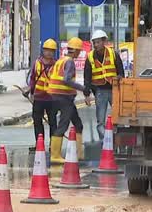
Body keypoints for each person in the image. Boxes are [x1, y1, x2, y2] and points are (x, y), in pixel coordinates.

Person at [47, 37, 92, 165]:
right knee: (63, 124)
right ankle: (55, 155)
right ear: (76, 51)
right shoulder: (70, 62)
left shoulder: (61, 60)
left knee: (78, 124)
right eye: (79, 51)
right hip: (63, 97)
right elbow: (66, 80)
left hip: (58, 96)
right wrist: (83, 88)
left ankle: (79, 153)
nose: (79, 53)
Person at [84, 30, 124, 141]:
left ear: (104, 41)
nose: (96, 45)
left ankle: (118, 140)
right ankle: (105, 142)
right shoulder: (90, 57)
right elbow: (87, 78)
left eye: (98, 42)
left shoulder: (113, 54)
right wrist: (87, 95)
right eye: (94, 43)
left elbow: (121, 72)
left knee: (118, 117)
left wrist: (119, 78)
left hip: (114, 90)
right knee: (100, 121)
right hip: (100, 91)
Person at [25, 38, 58, 142]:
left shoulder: (57, 65)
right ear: (43, 50)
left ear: (54, 52)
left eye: (51, 50)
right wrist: (30, 91)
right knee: (37, 122)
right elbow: (33, 78)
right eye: (46, 50)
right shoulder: (37, 63)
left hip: (52, 99)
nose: (48, 52)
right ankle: (39, 144)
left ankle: (53, 146)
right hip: (39, 98)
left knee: (53, 122)